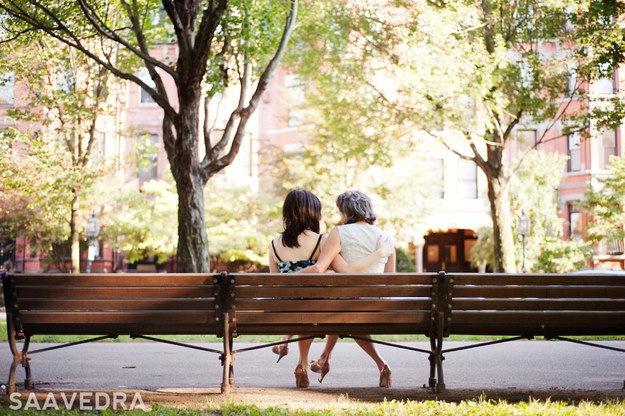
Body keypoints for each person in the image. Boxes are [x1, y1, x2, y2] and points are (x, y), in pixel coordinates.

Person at [268, 189, 392, 388]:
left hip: (288, 309)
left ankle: (301, 359)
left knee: (317, 302)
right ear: (313, 213)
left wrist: (290, 279)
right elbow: (349, 271)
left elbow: (275, 284)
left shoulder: (273, 245)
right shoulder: (322, 241)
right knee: (330, 301)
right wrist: (378, 254)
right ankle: (322, 358)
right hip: (328, 307)